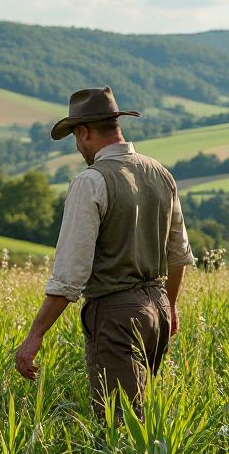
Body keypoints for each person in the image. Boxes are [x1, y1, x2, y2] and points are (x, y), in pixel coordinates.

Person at [14, 86, 195, 417]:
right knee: (147, 419)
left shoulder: (91, 182)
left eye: (74, 136)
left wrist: (34, 336)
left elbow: (70, 275)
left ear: (83, 132)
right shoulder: (160, 173)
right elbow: (179, 253)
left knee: (118, 425)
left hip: (116, 314)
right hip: (157, 309)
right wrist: (170, 305)